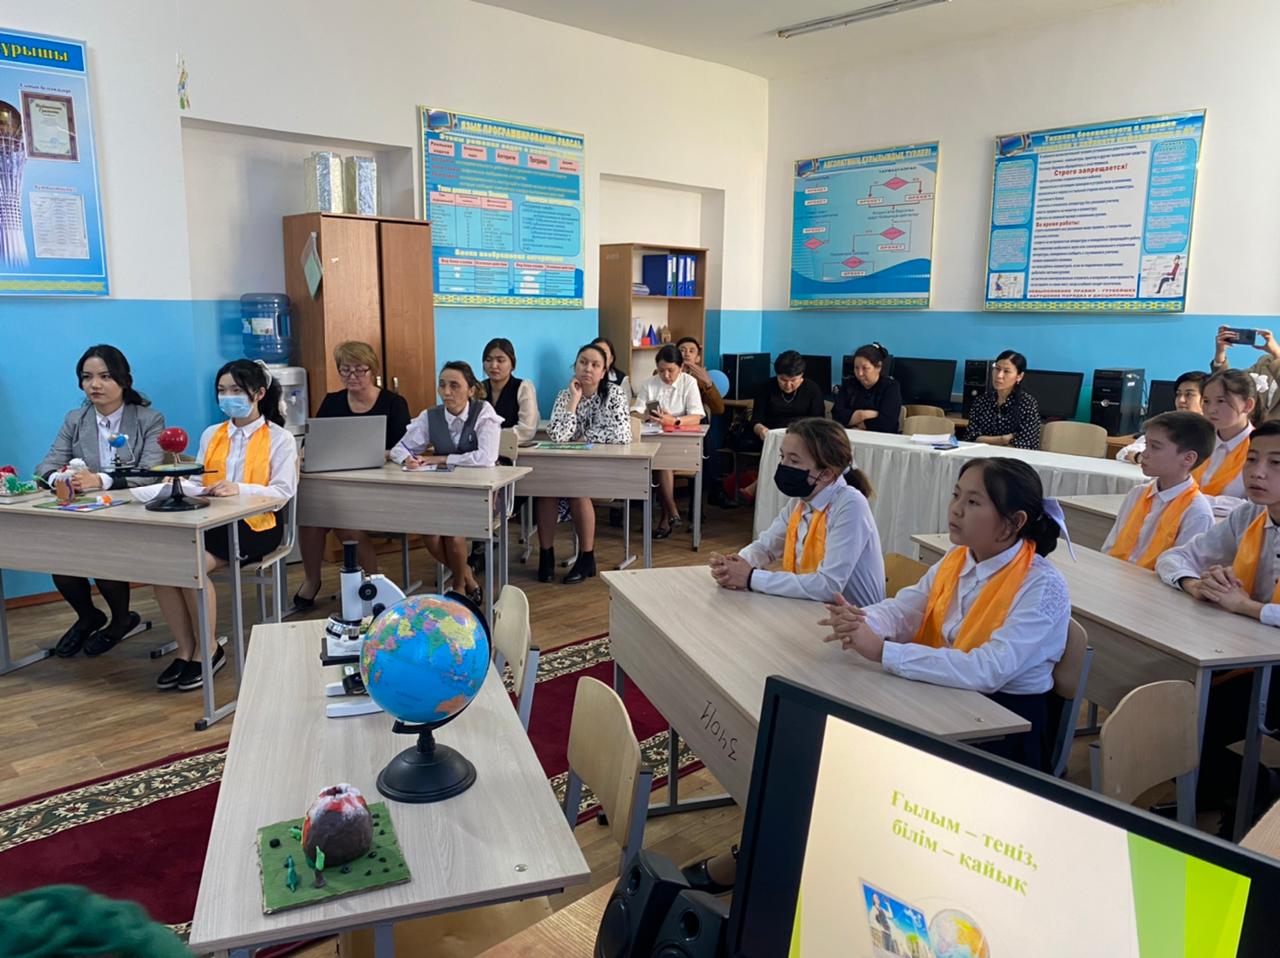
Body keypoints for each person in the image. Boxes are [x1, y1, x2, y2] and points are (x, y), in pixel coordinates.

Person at [819, 457, 1070, 771]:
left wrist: (884, 651)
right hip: (948, 693)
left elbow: (989, 670)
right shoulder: (958, 557)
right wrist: (860, 621)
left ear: (1014, 522)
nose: (956, 509)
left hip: (1004, 727)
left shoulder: (1042, 584)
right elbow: (907, 609)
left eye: (973, 502)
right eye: (956, 495)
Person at [142, 360, 297, 692]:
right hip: (212, 520)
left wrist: (239, 488)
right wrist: (180, 483)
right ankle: (185, 649)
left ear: (259, 393)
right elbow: (200, 481)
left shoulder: (280, 438)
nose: (227, 397)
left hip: (257, 525)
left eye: (236, 390)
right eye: (222, 391)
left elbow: (283, 492)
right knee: (163, 568)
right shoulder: (212, 434)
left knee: (191, 565)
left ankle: (209, 648)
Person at [1156, 420, 1280, 827]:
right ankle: (1229, 791)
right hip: (1248, 654)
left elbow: (1248, 607)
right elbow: (1175, 558)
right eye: (1252, 460)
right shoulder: (1250, 515)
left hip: (1272, 668)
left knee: (1193, 722)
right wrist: (1196, 584)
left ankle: (1254, 791)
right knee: (1174, 713)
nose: (1257, 473)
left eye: (1276, 463)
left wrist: (1246, 606)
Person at [36, 345, 167, 658]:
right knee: (60, 563)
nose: (94, 384)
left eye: (105, 376)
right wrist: (60, 480)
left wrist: (101, 480)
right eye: (87, 377)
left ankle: (121, 620)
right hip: (87, 510)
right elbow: (45, 465)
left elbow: (151, 472)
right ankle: (88, 616)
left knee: (104, 559)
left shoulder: (149, 419)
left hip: (133, 510)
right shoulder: (76, 419)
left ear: (124, 380)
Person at [709, 418, 884, 607]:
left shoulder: (850, 504)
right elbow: (766, 546)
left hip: (855, 618)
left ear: (826, 473)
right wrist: (735, 564)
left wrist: (751, 577)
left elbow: (828, 586)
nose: (783, 465)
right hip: (810, 610)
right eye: (782, 456)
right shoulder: (802, 500)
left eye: (793, 460)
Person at [294, 341, 412, 610]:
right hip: (339, 485)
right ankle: (312, 580)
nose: (352, 376)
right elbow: (314, 443)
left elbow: (404, 449)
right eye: (345, 370)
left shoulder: (393, 403)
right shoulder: (332, 401)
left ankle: (373, 582)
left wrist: (379, 453)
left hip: (382, 488)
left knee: (344, 522)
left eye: (360, 370)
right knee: (310, 519)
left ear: (373, 370)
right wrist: (305, 452)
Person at [389, 361, 503, 604]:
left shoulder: (484, 412)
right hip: (443, 490)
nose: (447, 392)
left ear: (471, 390)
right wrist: (408, 458)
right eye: (442, 385)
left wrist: (441, 458)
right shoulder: (430, 416)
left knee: (453, 534)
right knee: (430, 536)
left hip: (479, 492)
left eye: (454, 385)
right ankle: (468, 576)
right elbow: (400, 448)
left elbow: (486, 458)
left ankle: (459, 587)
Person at [536, 343, 633, 584]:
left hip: (604, 468)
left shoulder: (614, 394)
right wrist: (574, 400)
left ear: (604, 371)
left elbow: (622, 434)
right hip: (570, 466)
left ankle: (586, 556)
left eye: (595, 365)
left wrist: (583, 438)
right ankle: (546, 555)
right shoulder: (564, 394)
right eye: (583, 362)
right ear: (575, 366)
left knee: (578, 490)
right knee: (546, 491)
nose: (588, 368)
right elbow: (558, 436)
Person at [1100, 411, 1216, 568]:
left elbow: (1182, 569)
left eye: (1155, 447)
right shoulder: (1137, 494)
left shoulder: (1197, 513)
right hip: (1115, 573)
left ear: (1188, 458)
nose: (1144, 453)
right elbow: (1109, 548)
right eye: (1146, 445)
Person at [632, 344, 705, 538]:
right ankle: (671, 512)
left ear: (681, 368)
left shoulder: (689, 383)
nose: (666, 375)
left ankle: (668, 515)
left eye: (671, 370)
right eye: (661, 370)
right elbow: (635, 412)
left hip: (682, 444)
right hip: (655, 441)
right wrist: (647, 416)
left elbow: (697, 416)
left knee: (663, 462)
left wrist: (673, 421)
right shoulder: (649, 383)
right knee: (662, 461)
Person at [677, 335, 735, 510]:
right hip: (673, 423)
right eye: (682, 350)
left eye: (691, 351)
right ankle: (715, 490)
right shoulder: (665, 372)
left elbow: (718, 408)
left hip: (694, 425)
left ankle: (706, 497)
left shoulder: (701, 378)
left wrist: (708, 383)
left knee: (707, 441)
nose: (687, 354)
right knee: (707, 449)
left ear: (698, 357)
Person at [1195, 369, 1258, 517]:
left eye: (1221, 401)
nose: (1211, 410)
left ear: (1248, 405)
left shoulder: (1260, 449)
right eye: (1206, 401)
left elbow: (1256, 506)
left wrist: (1193, 500)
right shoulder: (1197, 443)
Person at [1116, 371, 1206, 463]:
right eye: (1178, 394)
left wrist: (1149, 458)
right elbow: (1123, 453)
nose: (1181, 400)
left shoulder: (1210, 433)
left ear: (1206, 399)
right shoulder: (1168, 426)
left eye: (1189, 395)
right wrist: (1138, 457)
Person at [964, 350, 1040, 449]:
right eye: (997, 369)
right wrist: (1002, 439)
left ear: (1019, 376)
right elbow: (970, 437)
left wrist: (986, 440)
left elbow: (1026, 444)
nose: (999, 375)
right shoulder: (981, 401)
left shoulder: (1027, 404)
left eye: (1006, 371)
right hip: (982, 455)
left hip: (1012, 457)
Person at [748, 351, 826, 443]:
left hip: (803, 438)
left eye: (793, 380)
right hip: (771, 436)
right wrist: (761, 430)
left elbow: (819, 421)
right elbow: (756, 421)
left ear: (801, 376)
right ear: (777, 375)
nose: (788, 385)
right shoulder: (765, 388)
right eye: (783, 380)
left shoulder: (812, 389)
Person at [1211, 325, 1280, 422]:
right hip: (1254, 429)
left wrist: (1277, 354)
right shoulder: (1266, 361)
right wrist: (1220, 352)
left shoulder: (1276, 358)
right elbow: (1231, 384)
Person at [831, 342, 902, 434]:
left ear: (878, 367)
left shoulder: (891, 387)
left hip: (882, 437)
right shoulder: (848, 384)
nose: (860, 373)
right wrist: (863, 415)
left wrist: (857, 424)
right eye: (856, 368)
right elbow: (836, 416)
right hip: (850, 435)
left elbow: (888, 423)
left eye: (865, 368)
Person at [477, 337, 539, 442]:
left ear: (512, 364)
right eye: (488, 360)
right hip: (480, 449)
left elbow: (526, 430)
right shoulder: (478, 389)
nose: (494, 365)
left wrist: (491, 436)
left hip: (514, 449)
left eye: (500, 360)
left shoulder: (523, 387)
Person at [591, 335, 631, 402]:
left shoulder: (621, 379)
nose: (599, 356)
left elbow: (626, 404)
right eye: (596, 352)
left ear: (611, 358)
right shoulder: (585, 375)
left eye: (604, 352)